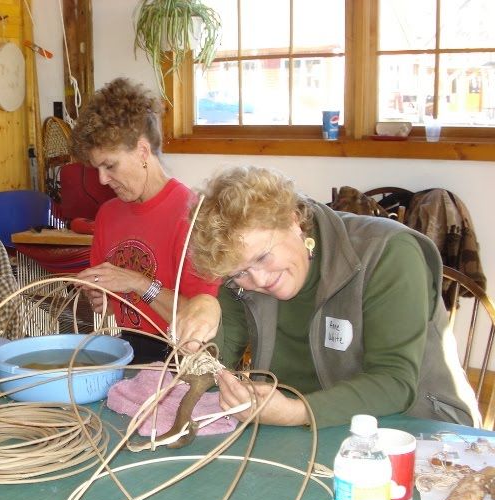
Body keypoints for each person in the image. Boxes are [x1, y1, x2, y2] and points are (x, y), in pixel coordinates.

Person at [175, 165, 481, 429]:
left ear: (293, 220)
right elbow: (219, 360)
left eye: (263, 257)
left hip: (418, 426)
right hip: (311, 428)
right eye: (239, 273)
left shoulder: (389, 253)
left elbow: (395, 383)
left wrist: (297, 412)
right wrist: (203, 316)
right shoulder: (243, 273)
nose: (260, 280)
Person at [71, 77, 218, 363]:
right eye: (97, 168)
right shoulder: (108, 215)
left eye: (110, 165)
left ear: (142, 151)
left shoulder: (193, 216)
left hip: (181, 362)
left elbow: (198, 316)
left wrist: (138, 283)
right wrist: (102, 300)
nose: (102, 179)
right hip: (129, 355)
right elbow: (114, 307)